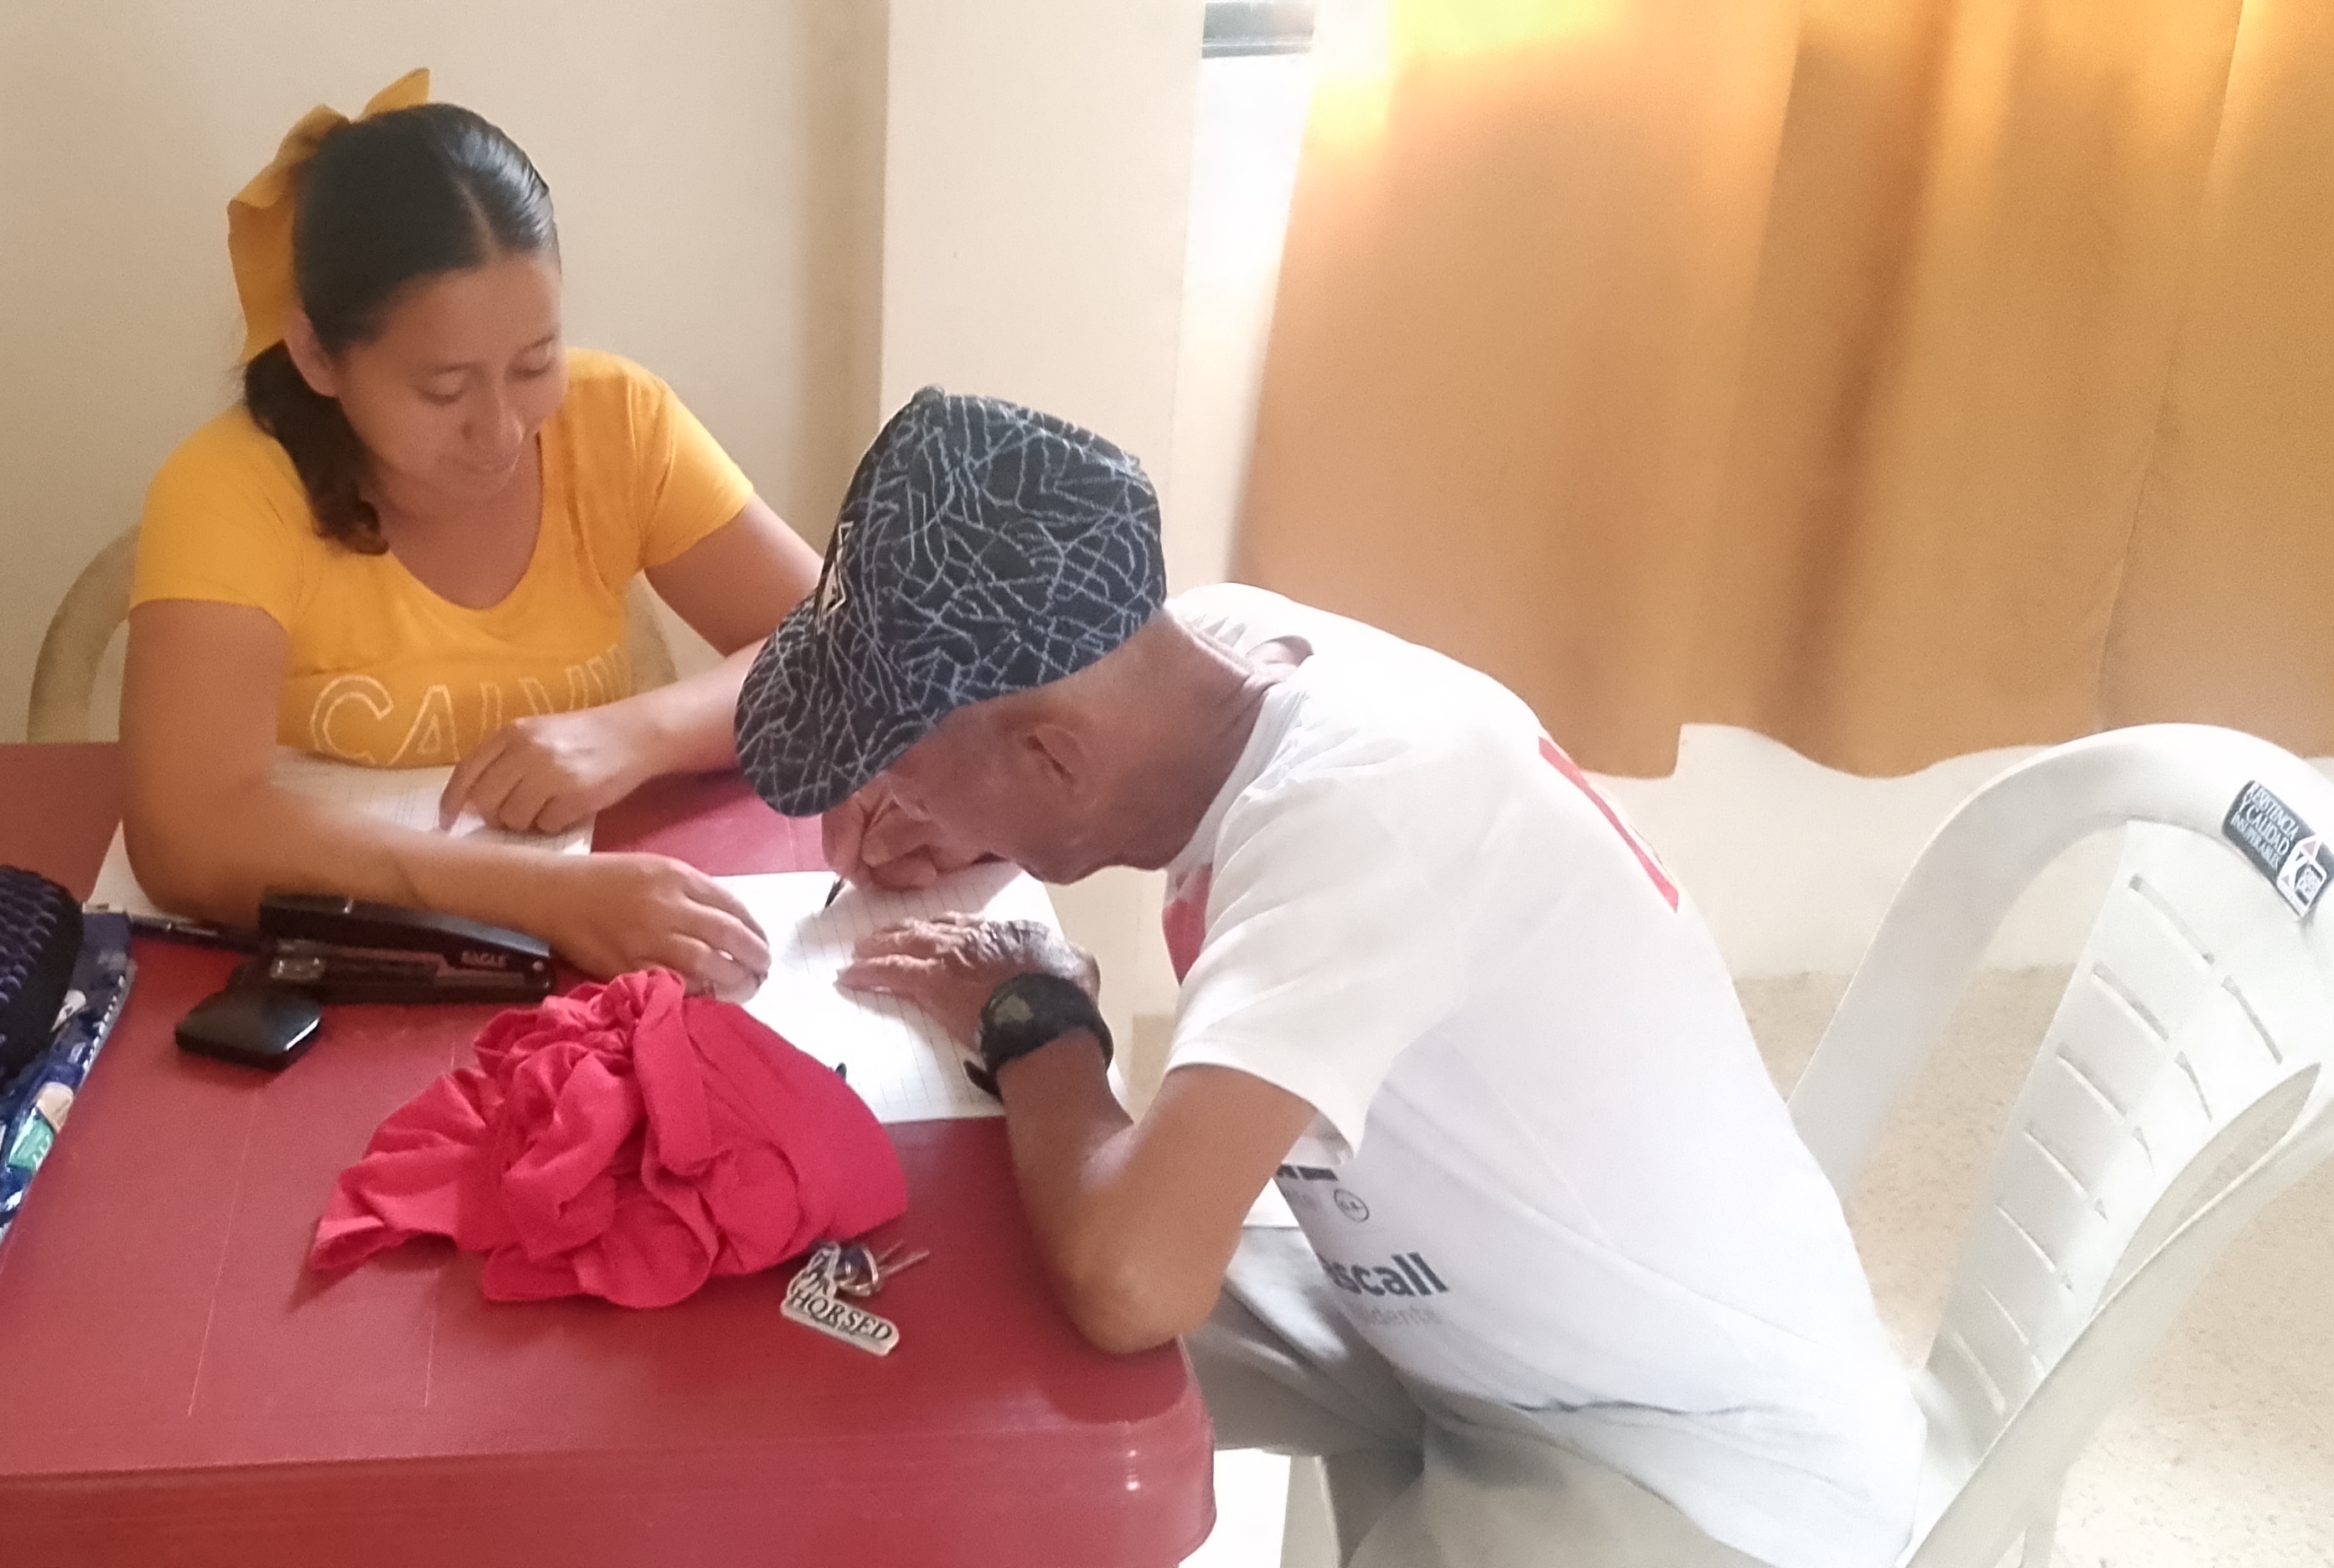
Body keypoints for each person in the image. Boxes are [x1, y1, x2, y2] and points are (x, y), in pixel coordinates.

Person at [732, 389, 1922, 1566]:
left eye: (898, 766)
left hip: (1691, 1457)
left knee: (1081, 1285)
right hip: (1445, 1319)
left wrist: (1035, 1017)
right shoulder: (1208, 657)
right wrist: (977, 822)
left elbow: (1136, 1283)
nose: (891, 799)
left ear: (1056, 756)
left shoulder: (1358, 816)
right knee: (957, 1338)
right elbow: (1084, 795)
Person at [121, 71, 819, 997]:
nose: (501, 430)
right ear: (319, 354)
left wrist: (634, 734)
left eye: (534, 363)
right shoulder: (230, 489)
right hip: (341, 981)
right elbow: (187, 832)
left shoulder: (618, 422)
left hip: (594, 950)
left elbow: (835, 646)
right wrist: (533, 896)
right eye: (442, 389)